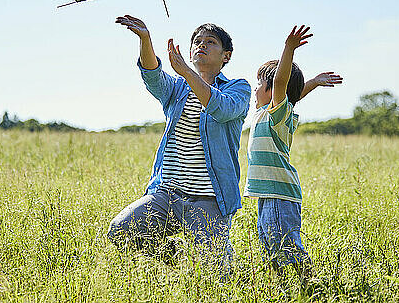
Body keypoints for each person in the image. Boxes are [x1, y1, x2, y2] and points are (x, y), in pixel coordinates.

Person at [108, 15, 251, 268]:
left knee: (217, 273)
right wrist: (145, 39)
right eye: (197, 41)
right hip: (167, 193)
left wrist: (185, 70)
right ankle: (173, 258)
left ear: (225, 56)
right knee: (120, 230)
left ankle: (225, 269)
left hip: (209, 199)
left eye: (210, 42)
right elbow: (153, 76)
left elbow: (221, 108)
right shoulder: (177, 88)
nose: (201, 45)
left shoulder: (238, 88)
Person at [242, 25, 342, 281]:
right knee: (271, 247)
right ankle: (289, 286)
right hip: (268, 194)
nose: (255, 89)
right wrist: (314, 83)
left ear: (273, 90)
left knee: (285, 245)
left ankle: (310, 283)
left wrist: (288, 49)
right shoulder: (267, 113)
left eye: (259, 84)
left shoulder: (278, 115)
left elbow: (282, 83)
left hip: (279, 193)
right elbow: (292, 94)